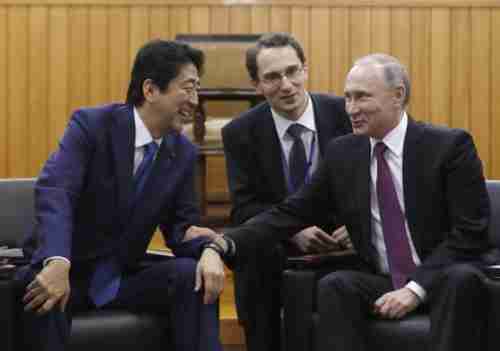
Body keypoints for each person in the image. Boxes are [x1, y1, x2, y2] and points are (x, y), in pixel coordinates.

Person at [200, 53, 491, 351]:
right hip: (382, 277)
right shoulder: (343, 153)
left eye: (361, 97)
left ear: (397, 95)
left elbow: (469, 233)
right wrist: (223, 245)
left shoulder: (449, 146)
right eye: (347, 98)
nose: (351, 109)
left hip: (441, 275)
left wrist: (415, 289)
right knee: (336, 285)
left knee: (461, 278)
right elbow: (289, 213)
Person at [16, 39, 224, 351]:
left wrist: (210, 249)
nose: (195, 100)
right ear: (151, 90)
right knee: (42, 290)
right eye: (188, 87)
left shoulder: (182, 152)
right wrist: (57, 261)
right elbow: (57, 190)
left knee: (190, 276)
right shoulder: (91, 125)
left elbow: (182, 228)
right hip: (69, 269)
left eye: (197, 89)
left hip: (121, 276)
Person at [221, 32, 352, 351]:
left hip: (342, 239)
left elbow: (378, 181)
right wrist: (292, 230)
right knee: (252, 252)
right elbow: (243, 208)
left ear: (305, 69)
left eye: (293, 71)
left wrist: (360, 222)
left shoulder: (346, 114)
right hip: (278, 242)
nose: (286, 85)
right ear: (257, 85)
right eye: (272, 77)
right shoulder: (240, 133)